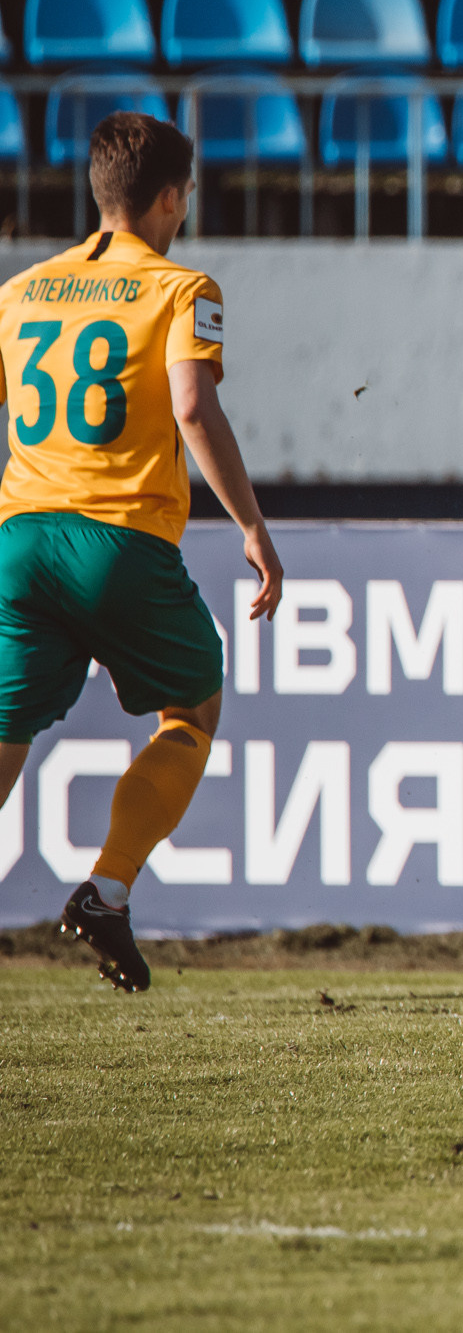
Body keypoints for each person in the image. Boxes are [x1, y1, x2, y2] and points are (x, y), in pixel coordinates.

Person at [0, 114, 281, 993]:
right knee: (192, 708)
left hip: (19, 535)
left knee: (5, 737)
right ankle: (109, 888)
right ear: (170, 196)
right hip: (116, 537)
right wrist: (251, 525)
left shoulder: (22, 290)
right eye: (188, 193)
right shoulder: (182, 286)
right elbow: (192, 407)